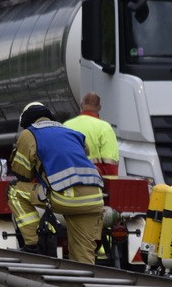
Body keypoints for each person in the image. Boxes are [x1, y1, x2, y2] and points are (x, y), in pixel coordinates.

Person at [7, 102, 105, 264]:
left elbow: (22, 173)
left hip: (66, 197)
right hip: (94, 198)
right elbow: (85, 152)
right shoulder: (73, 132)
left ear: (26, 123)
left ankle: (33, 245)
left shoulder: (28, 134)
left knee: (14, 190)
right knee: (83, 258)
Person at [64, 93, 119, 176]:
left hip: (68, 179)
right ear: (99, 107)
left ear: (82, 105)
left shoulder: (66, 125)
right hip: (93, 181)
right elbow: (110, 165)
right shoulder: (104, 127)